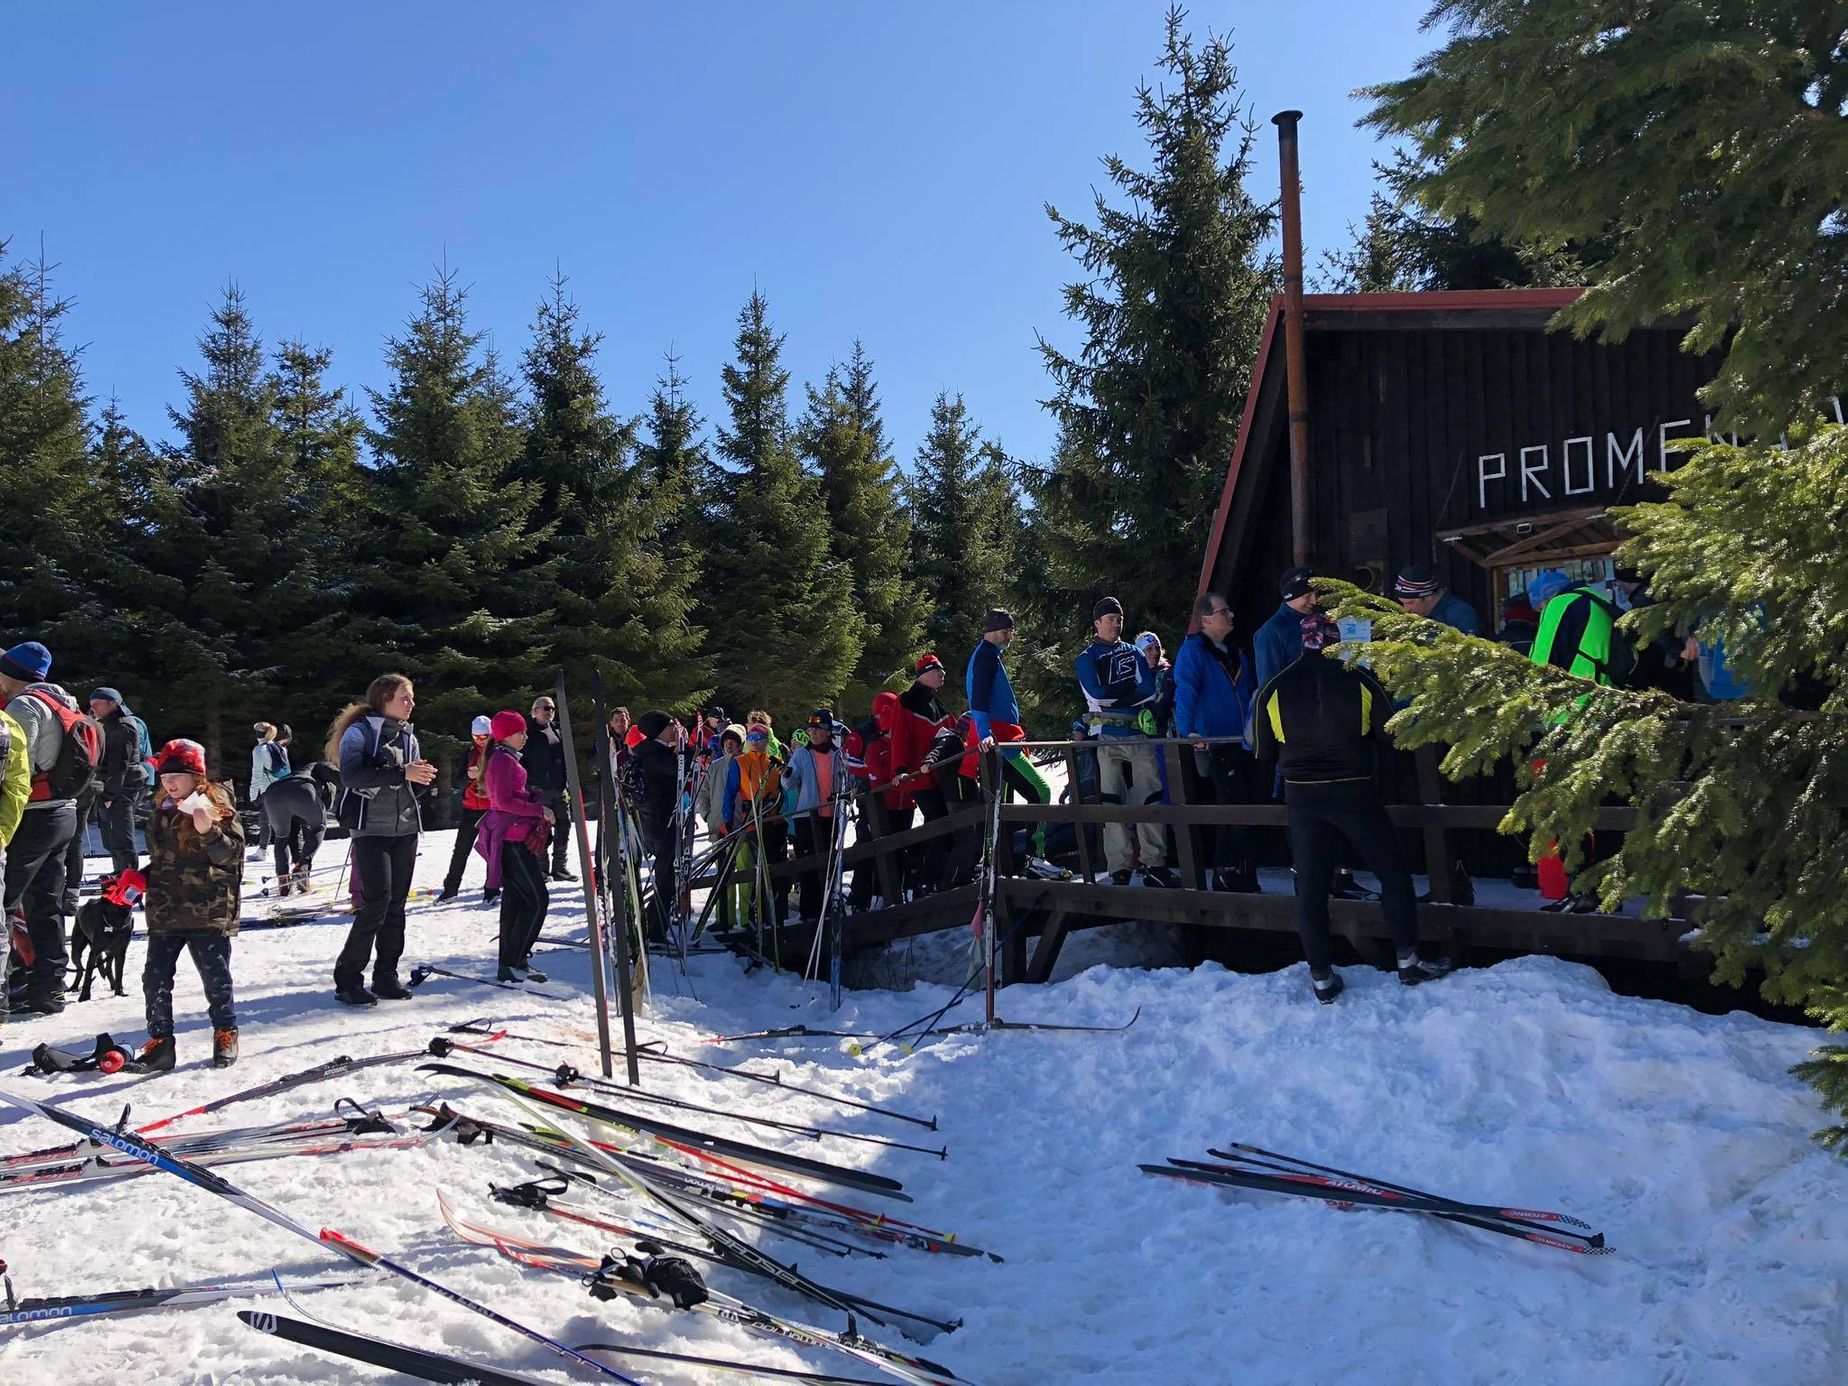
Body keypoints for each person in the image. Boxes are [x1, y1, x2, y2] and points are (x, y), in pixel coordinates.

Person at [1253, 614, 1452, 1003]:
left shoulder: (1273, 688)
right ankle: (1408, 959)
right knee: (1392, 872)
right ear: (1337, 641)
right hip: (1355, 791)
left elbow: (1262, 752)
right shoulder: (1360, 680)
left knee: (1311, 888)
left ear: (1303, 641)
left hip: (1303, 797)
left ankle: (1321, 977)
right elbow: (1388, 733)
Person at [327, 673, 437, 1007]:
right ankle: (348, 979)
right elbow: (351, 776)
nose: (411, 703)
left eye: (412, 697)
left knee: (396, 904)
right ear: (384, 699)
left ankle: (386, 975)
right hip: (371, 829)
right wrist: (402, 773)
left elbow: (406, 785)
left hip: (404, 828)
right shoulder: (359, 732)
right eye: (405, 697)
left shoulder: (408, 735)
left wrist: (421, 779)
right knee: (376, 902)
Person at [137, 738, 244, 1070]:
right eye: (164, 777)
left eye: (177, 776)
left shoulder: (215, 806)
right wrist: (138, 879)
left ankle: (225, 1032)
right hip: (165, 909)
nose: (169, 783)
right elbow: (164, 861)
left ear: (196, 777)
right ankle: (160, 1042)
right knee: (154, 979)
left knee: (215, 978)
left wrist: (209, 831)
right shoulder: (162, 812)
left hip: (208, 909)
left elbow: (232, 856)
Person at [0, 640, 85, 1018]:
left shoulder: (24, 706)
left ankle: (5, 990)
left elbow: (16, 760)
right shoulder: (62, 699)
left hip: (33, 814)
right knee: (46, 903)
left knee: (4, 902)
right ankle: (49, 990)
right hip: (64, 812)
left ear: (12, 674)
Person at [1076, 597, 1173, 887]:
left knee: (1151, 796)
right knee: (1112, 800)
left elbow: (1149, 690)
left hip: (1138, 732)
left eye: (1119, 619)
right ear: (1097, 623)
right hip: (1106, 735)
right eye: (1110, 619)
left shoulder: (1134, 652)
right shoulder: (1086, 657)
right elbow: (1096, 695)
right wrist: (1129, 692)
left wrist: (1116, 694)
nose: (1116, 624)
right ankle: (1119, 866)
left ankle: (1154, 863)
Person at [1173, 593, 1259, 892]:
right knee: (1231, 807)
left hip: (1244, 741)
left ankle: (1246, 872)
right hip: (1216, 742)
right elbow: (1186, 690)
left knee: (1247, 806)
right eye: (1224, 611)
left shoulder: (1236, 652)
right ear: (1206, 619)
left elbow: (1250, 693)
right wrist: (1189, 732)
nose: (1231, 615)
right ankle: (1225, 871)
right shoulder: (1194, 651)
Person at [966, 608, 1053, 862]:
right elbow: (978, 699)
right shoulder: (986, 656)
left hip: (1001, 737)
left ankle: (995, 860)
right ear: (992, 631)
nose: (1010, 637)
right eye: (1006, 632)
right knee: (1041, 791)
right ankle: (1036, 856)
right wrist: (985, 733)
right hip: (1000, 740)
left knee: (999, 803)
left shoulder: (988, 654)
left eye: (1011, 632)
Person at [476, 710, 553, 983]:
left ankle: (511, 962)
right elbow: (503, 802)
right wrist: (538, 810)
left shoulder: (505, 758)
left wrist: (530, 796)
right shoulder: (502, 760)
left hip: (515, 837)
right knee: (537, 900)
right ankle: (514, 959)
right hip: (512, 840)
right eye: (521, 732)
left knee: (515, 900)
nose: (525, 736)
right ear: (507, 735)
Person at [896, 654, 955, 894]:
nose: (943, 674)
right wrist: (900, 769)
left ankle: (934, 877)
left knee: (942, 822)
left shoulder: (937, 703)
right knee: (938, 820)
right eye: (937, 670)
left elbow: (951, 732)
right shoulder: (907, 701)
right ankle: (926, 879)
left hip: (940, 774)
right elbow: (900, 737)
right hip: (918, 775)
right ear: (924, 674)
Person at [782, 709, 847, 924]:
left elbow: (847, 780)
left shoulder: (838, 754)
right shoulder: (802, 754)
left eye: (818, 729)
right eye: (811, 730)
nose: (814, 733)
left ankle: (828, 906)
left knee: (828, 861)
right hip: (807, 816)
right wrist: (786, 775)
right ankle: (809, 911)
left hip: (831, 816)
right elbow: (790, 783)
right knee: (808, 863)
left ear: (828, 731)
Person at [723, 725, 788, 928]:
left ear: (766, 741)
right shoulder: (740, 762)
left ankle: (773, 913)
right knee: (753, 869)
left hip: (772, 821)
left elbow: (785, 790)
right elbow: (729, 792)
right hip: (750, 821)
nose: (754, 741)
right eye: (751, 737)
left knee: (772, 869)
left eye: (759, 737)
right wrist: (727, 819)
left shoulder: (774, 763)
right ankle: (752, 914)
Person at [629, 710, 683, 940]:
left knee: (666, 877)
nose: (674, 729)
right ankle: (655, 930)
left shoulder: (651, 751)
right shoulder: (655, 756)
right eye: (670, 726)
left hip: (655, 822)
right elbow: (681, 769)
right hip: (660, 823)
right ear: (660, 731)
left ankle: (653, 925)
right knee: (665, 879)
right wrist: (683, 749)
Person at [88, 687, 149, 874]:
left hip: (123, 785)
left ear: (113, 704)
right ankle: (119, 873)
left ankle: (128, 877)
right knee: (110, 836)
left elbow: (120, 764)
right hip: (111, 784)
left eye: (97, 704)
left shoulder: (122, 726)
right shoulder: (108, 723)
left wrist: (109, 794)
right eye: (91, 705)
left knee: (122, 835)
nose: (93, 709)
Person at [440, 714, 494, 902]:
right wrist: (469, 778)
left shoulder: (497, 753)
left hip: (491, 809)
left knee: (492, 851)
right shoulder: (469, 752)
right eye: (476, 736)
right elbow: (459, 782)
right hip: (470, 808)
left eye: (484, 736)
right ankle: (450, 890)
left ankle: (491, 890)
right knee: (460, 851)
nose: (480, 740)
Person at [260, 760, 334, 896]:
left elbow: (294, 834)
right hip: (302, 789)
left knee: (281, 836)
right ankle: (302, 870)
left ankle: (283, 879)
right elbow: (340, 783)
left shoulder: (295, 772)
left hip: (272, 793)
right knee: (319, 827)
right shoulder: (322, 766)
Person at [523, 695, 575, 882]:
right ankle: (541, 870)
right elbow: (521, 762)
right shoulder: (527, 733)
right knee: (541, 829)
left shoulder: (558, 729)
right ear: (535, 711)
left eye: (552, 708)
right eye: (546, 708)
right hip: (538, 789)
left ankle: (559, 867)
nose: (550, 712)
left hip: (559, 787)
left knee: (564, 825)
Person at [1254, 565, 1320, 690]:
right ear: (1290, 596)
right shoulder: (1271, 633)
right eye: (1307, 596)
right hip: (1296, 700)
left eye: (1316, 594)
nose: (1314, 601)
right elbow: (1268, 686)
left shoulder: (1320, 621)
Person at [1392, 564, 1481, 635]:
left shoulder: (1461, 614)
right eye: (1403, 603)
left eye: (1410, 603)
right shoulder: (1421, 613)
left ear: (1428, 597)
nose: (1406, 609)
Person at [249, 723, 288, 854]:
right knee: (283, 820)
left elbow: (257, 773)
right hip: (283, 787)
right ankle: (290, 849)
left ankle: (263, 850)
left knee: (265, 821)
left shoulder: (259, 750)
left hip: (268, 789)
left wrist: (253, 795)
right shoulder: (281, 748)